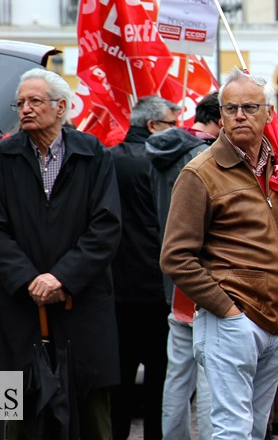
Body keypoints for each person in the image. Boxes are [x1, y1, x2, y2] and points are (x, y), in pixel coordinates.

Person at [161, 71, 278, 440]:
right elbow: (175, 257)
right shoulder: (200, 172)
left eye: (249, 107)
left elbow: (273, 247)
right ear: (222, 115)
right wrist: (227, 310)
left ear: (268, 114)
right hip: (232, 321)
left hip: (274, 322)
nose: (240, 115)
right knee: (232, 431)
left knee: (255, 431)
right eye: (230, 108)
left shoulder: (277, 169)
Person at [0, 68, 122, 439]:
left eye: (34, 101)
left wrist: (62, 278)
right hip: (18, 309)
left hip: (81, 306)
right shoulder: (1, 158)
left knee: (90, 414)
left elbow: (105, 226)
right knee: (18, 416)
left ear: (61, 108)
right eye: (20, 102)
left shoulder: (94, 155)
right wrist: (30, 280)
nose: (24, 109)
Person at [148, 93, 220, 440]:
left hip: (176, 277)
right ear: (220, 119)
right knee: (211, 375)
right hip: (206, 276)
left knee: (177, 375)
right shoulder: (205, 157)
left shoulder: (159, 153)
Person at [110, 96, 181, 440]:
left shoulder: (106, 160)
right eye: (171, 124)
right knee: (160, 383)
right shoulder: (164, 165)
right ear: (153, 126)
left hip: (116, 292)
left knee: (118, 385)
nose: (176, 132)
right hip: (158, 291)